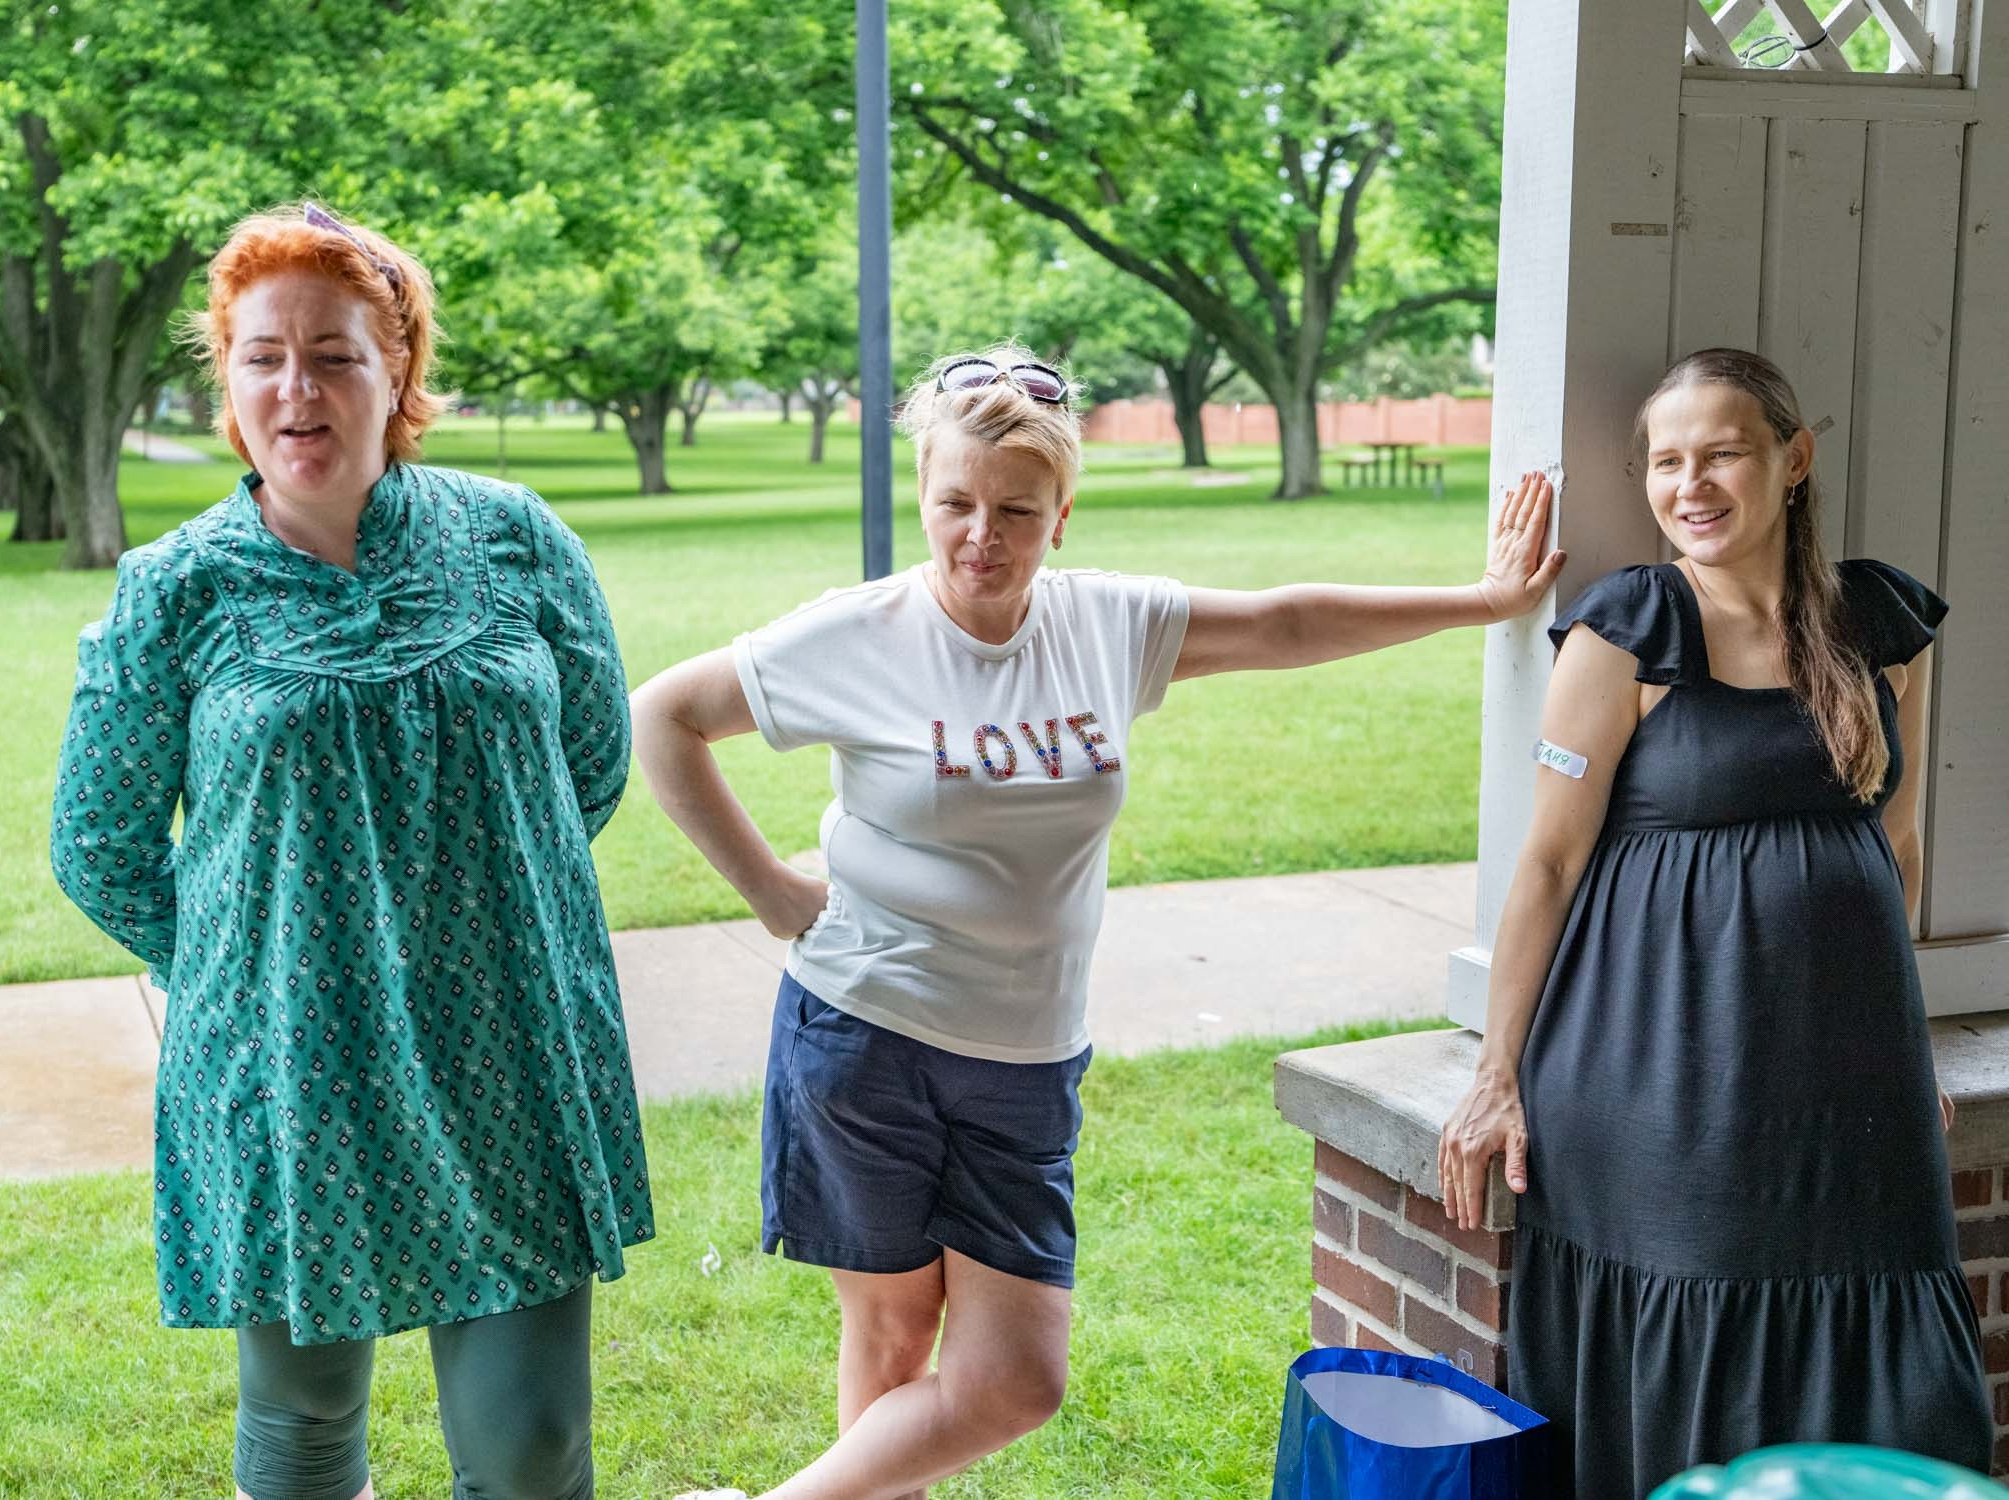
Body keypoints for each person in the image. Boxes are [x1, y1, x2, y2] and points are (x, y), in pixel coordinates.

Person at [633, 343, 1564, 1500]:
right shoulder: (856, 633)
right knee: (888, 1346)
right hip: (864, 1029)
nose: (982, 535)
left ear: (1061, 514)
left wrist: (1481, 601)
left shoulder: (1102, 626)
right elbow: (663, 716)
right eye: (956, 504)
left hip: (1025, 1055)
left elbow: (1282, 623)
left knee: (1014, 1381)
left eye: (1017, 510)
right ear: (924, 497)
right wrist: (770, 890)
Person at [50, 203, 650, 1500]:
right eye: (262, 355)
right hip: (290, 1067)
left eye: (336, 352)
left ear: (400, 371)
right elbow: (96, 842)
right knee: (306, 1423)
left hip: (507, 1042)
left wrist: (457, 910)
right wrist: (253, 962)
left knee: (531, 1442)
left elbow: (589, 765)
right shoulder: (179, 589)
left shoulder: (514, 539)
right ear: (228, 380)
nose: (297, 387)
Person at [1437, 347, 1992, 1496]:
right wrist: (1497, 1071)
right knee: (1693, 1328)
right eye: (1665, 462)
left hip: (1849, 1081)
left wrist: (1908, 1041)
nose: (1689, 484)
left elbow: (1895, 847)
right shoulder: (1626, 630)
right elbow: (1545, 864)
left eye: (1721, 453)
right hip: (1662, 1071)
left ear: (1792, 460)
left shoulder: (1882, 624)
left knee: (1888, 1351)